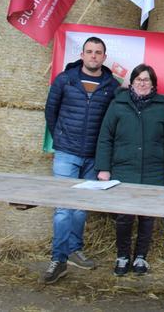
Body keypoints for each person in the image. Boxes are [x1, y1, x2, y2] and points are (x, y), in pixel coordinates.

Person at [42, 37, 119, 284]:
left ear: (104, 57)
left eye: (98, 52)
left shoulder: (111, 86)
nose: (94, 56)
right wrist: (62, 139)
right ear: (82, 55)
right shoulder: (65, 80)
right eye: (89, 52)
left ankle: (75, 250)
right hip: (67, 153)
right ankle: (58, 258)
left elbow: (112, 122)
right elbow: (50, 111)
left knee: (80, 207)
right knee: (63, 207)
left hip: (93, 156)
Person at [95, 64, 164, 276]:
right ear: (131, 82)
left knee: (147, 217)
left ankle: (141, 257)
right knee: (124, 216)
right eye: (138, 79)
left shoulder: (163, 107)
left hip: (153, 170)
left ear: (153, 83)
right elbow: (105, 137)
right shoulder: (118, 104)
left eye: (146, 80)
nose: (142, 83)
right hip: (124, 169)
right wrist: (103, 168)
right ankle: (122, 256)